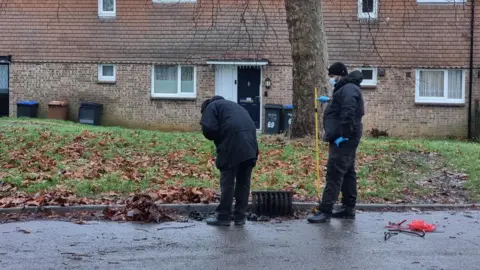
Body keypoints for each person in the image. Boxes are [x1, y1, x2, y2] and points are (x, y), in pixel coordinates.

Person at [307, 62, 365, 223]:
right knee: (347, 171)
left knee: (334, 172)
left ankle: (325, 211)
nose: (331, 79)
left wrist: (344, 136)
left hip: (344, 138)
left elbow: (348, 111)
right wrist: (331, 100)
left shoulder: (348, 89)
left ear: (340, 74)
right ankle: (348, 208)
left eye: (332, 77)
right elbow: (343, 105)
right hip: (346, 137)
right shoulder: (347, 88)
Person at [200, 95, 259, 226]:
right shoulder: (233, 106)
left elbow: (208, 129)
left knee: (227, 179)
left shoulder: (211, 106)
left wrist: (219, 139)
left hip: (232, 142)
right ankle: (240, 216)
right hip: (250, 143)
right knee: (243, 181)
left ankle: (223, 216)